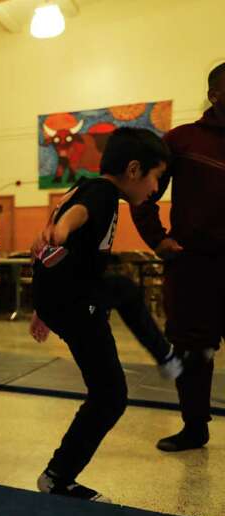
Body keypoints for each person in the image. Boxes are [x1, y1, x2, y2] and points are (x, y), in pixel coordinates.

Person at [30, 127, 184, 502]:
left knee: (121, 292)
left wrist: (42, 308)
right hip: (76, 302)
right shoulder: (100, 193)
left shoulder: (86, 187)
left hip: (64, 298)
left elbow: (60, 249)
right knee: (111, 394)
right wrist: (63, 228)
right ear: (134, 169)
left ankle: (167, 356)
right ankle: (58, 477)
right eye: (156, 179)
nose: (155, 190)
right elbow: (76, 217)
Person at [131, 62, 225, 452]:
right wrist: (158, 240)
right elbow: (141, 190)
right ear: (216, 94)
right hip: (194, 266)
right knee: (193, 351)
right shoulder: (182, 140)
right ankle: (194, 427)